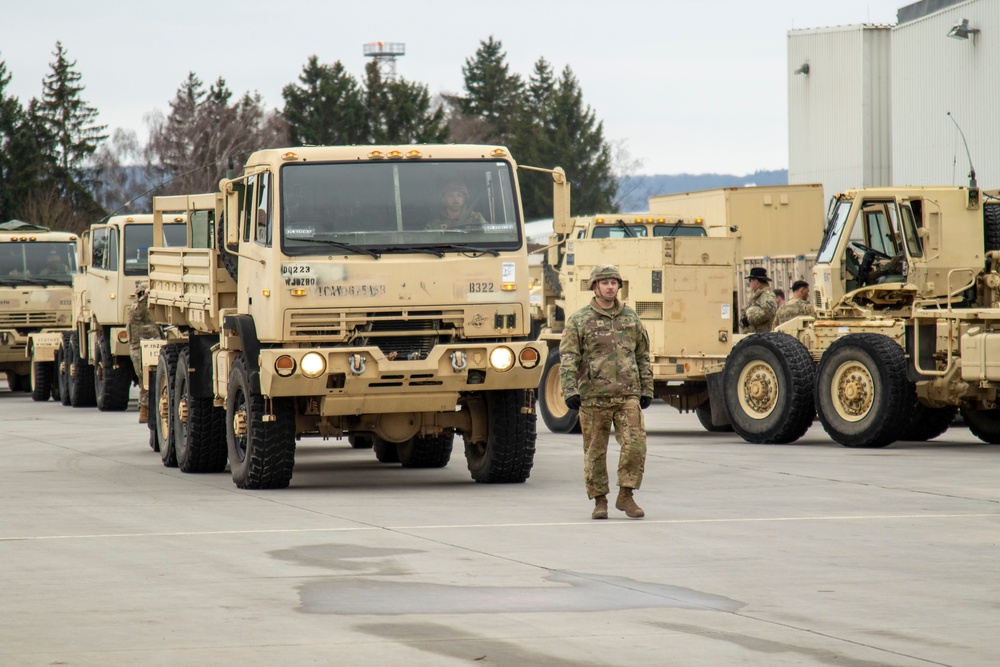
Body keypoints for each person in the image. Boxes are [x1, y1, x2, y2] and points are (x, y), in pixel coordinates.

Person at [559, 264, 654, 520]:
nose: (610, 287)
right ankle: (600, 501)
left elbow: (643, 355)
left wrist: (647, 388)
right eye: (605, 283)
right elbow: (568, 357)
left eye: (614, 282)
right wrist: (569, 390)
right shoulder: (580, 320)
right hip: (593, 397)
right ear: (595, 286)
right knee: (594, 452)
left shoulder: (631, 318)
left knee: (635, 446)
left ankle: (626, 495)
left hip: (627, 395)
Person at [127, 284, 162, 423]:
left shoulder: (150, 311)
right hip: (138, 348)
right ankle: (144, 409)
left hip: (152, 345)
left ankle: (148, 409)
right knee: (144, 378)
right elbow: (138, 313)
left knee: (153, 377)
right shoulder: (136, 308)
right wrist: (145, 297)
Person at [739, 267, 778, 333]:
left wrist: (749, 318)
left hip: (763, 337)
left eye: (750, 280)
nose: (750, 283)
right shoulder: (759, 295)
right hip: (756, 336)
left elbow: (768, 312)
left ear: (756, 281)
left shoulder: (767, 295)